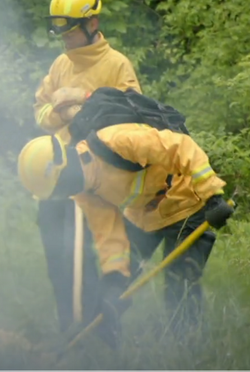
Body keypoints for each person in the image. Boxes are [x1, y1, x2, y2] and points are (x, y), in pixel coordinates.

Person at [17, 122, 234, 342]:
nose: (63, 195)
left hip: (187, 200)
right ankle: (104, 345)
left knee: (180, 279)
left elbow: (180, 146)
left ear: (64, 167)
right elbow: (109, 233)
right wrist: (115, 277)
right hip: (144, 215)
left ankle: (188, 345)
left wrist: (213, 195)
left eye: (59, 188)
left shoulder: (116, 142)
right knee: (109, 294)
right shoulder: (84, 192)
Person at [32, 0, 143, 337]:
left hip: (96, 181)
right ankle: (70, 330)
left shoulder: (116, 64)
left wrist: (87, 103)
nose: (63, 39)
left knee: (97, 260)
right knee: (59, 261)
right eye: (59, 31)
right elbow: (40, 109)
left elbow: (133, 112)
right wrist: (59, 115)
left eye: (69, 31)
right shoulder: (60, 64)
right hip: (55, 179)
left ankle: (101, 337)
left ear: (92, 24)